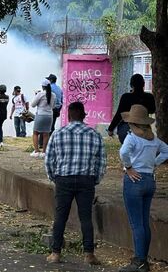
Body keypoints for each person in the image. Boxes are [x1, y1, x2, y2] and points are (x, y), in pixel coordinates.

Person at [44, 101, 106, 265]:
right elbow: (101, 162)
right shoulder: (94, 134)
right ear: (84, 115)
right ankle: (89, 254)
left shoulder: (58, 134)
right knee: (86, 218)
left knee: (60, 217)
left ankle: (56, 253)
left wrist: (53, 177)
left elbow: (49, 159)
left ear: (69, 116)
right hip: (86, 180)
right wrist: (95, 179)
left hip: (63, 179)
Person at [118, 105, 168, 272]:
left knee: (136, 224)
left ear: (133, 123)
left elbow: (123, 153)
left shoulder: (132, 138)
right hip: (149, 180)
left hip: (134, 180)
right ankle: (143, 259)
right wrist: (154, 163)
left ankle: (139, 261)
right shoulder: (153, 139)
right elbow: (166, 151)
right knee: (144, 222)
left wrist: (129, 167)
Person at [108, 74, 156, 144]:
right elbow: (152, 110)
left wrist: (110, 129)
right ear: (143, 84)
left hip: (126, 128)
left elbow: (119, 115)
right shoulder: (149, 97)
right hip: (143, 127)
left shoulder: (126, 97)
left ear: (131, 85)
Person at [31, 79, 56, 158]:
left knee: (35, 133)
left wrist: (36, 95)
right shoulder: (53, 95)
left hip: (40, 115)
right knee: (46, 134)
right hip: (49, 116)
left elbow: (33, 105)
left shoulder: (40, 94)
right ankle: (44, 152)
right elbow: (53, 106)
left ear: (42, 86)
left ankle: (36, 151)